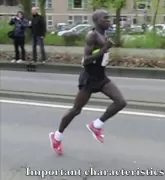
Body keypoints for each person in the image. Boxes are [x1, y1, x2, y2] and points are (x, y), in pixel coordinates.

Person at [49, 9, 127, 155]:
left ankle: (96, 125)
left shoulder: (104, 34)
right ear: (97, 20)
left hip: (101, 77)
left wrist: (104, 50)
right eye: (106, 18)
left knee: (121, 102)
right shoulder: (92, 35)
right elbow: (86, 60)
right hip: (89, 79)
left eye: (109, 18)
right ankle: (57, 136)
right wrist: (104, 49)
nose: (109, 20)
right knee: (76, 110)